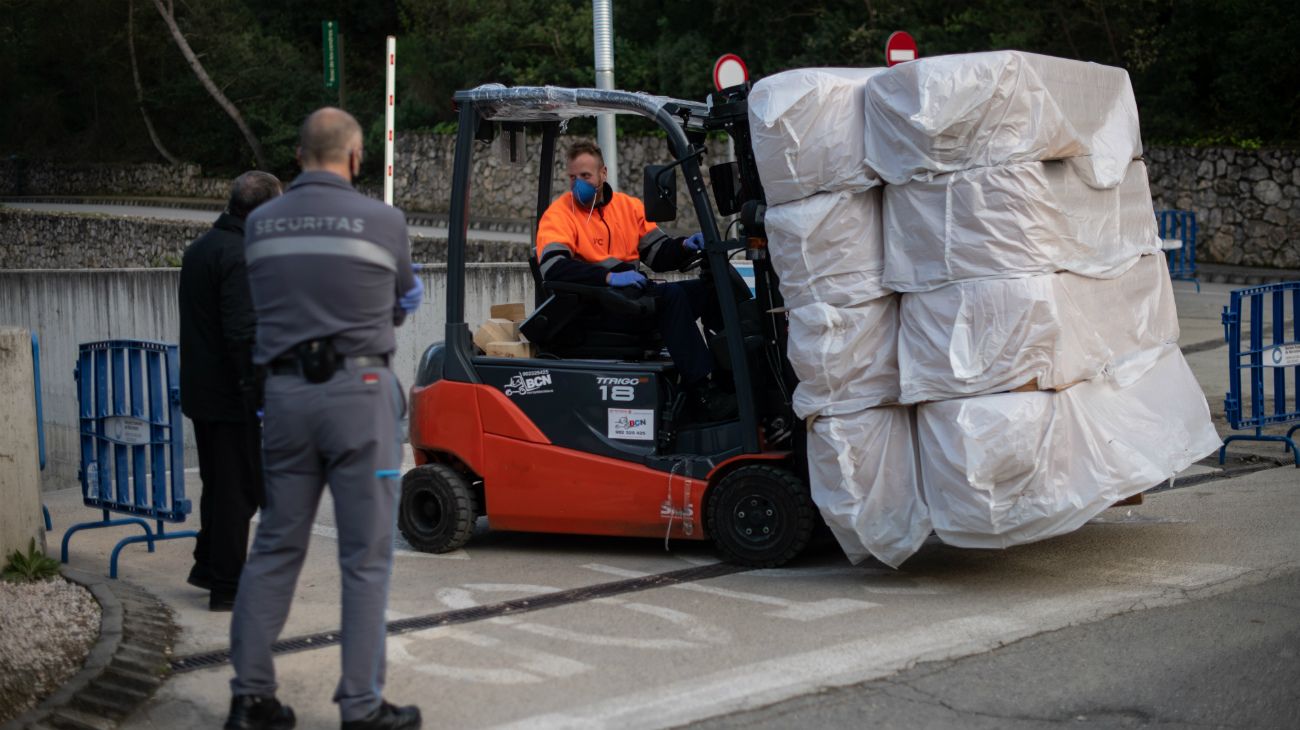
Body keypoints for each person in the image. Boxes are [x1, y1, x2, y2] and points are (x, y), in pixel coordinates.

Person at [224, 107, 424, 730]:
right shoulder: (384, 220)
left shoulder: (259, 225)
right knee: (365, 558)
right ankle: (361, 708)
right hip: (359, 392)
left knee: (276, 547)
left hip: (283, 396)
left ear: (299, 154)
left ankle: (250, 699)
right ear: (357, 157)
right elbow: (399, 301)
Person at [536, 140, 736, 420]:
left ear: (603, 174)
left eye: (585, 176)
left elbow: (658, 254)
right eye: (572, 177)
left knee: (712, 290)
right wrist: (607, 277)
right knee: (671, 298)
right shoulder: (558, 215)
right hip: (594, 307)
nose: (578, 184)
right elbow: (554, 268)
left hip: (631, 298)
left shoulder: (628, 208)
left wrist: (686, 246)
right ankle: (702, 390)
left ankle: (731, 377)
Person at [178, 170, 282, 612]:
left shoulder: (200, 249)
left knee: (219, 486)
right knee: (239, 492)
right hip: (232, 395)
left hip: (202, 392)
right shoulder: (241, 256)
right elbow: (243, 333)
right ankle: (228, 587)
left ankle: (208, 565)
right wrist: (259, 393)